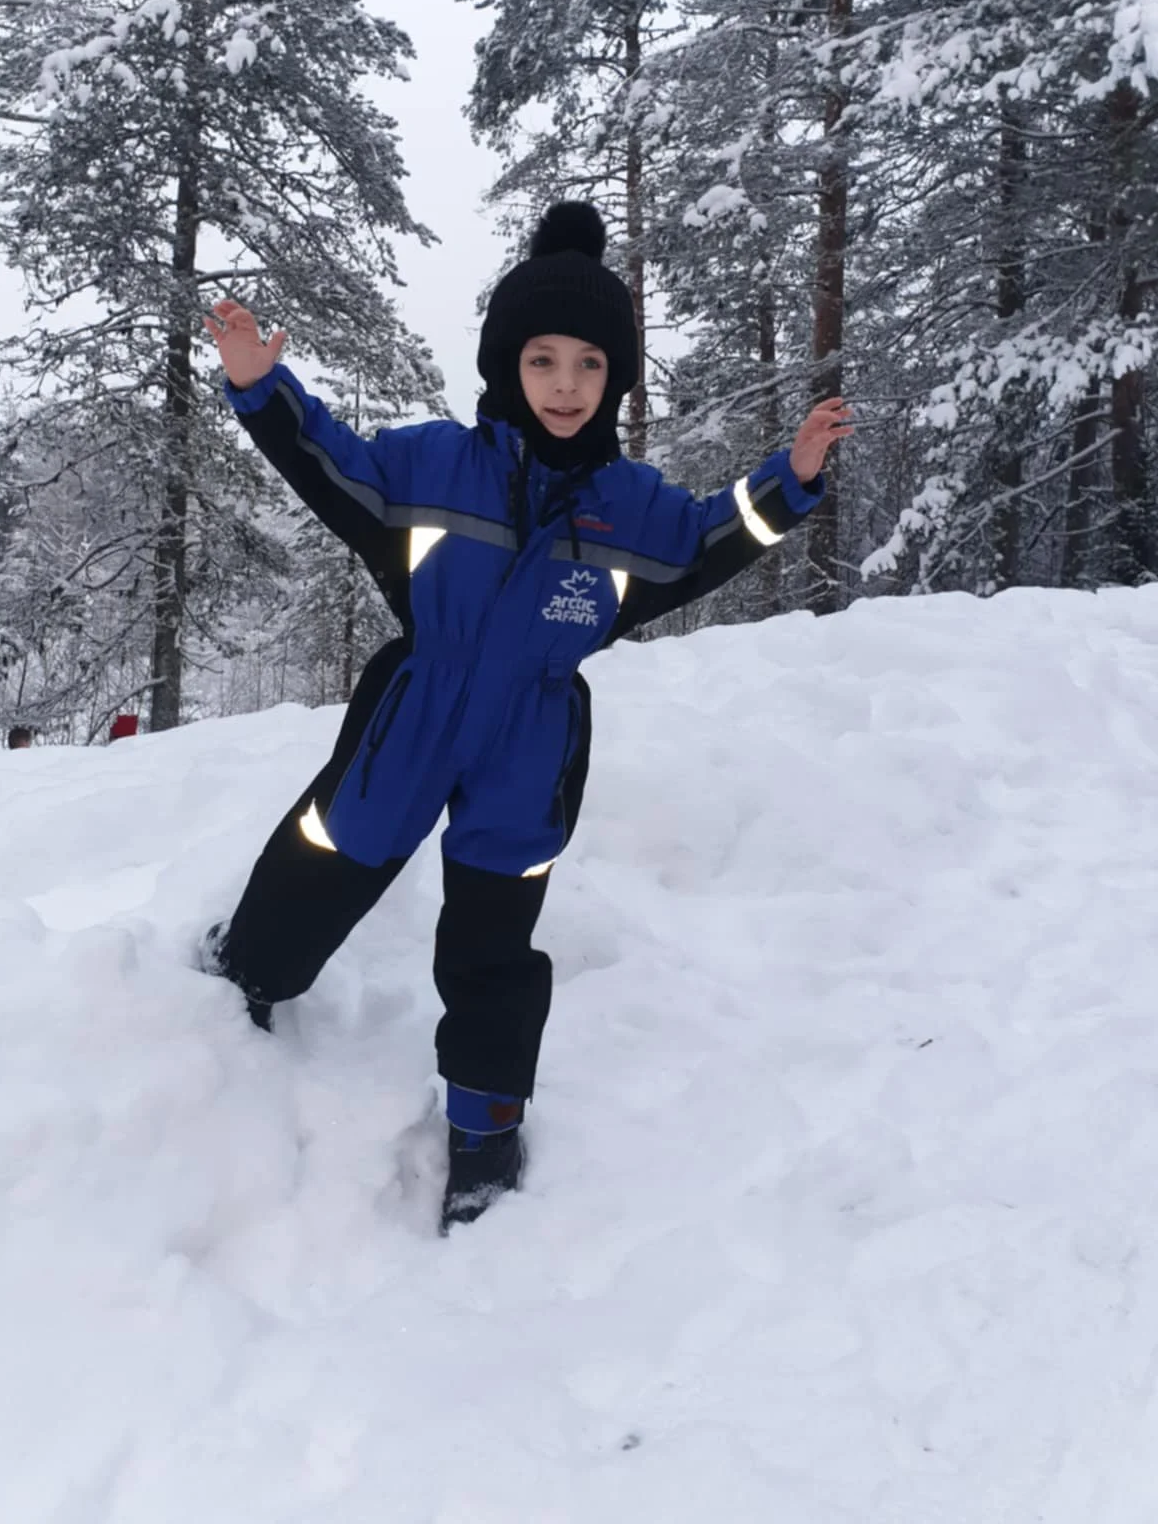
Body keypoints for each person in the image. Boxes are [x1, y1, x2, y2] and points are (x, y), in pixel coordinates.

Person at [200, 203, 854, 1230]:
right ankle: (246, 974)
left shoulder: (632, 507)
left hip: (532, 739)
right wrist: (258, 383)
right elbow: (329, 462)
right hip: (416, 707)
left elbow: (707, 541)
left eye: (589, 365)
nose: (563, 384)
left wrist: (794, 479)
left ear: (613, 381)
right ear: (509, 363)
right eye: (543, 359)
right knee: (334, 846)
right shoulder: (431, 465)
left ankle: (485, 1120)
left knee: (497, 932)